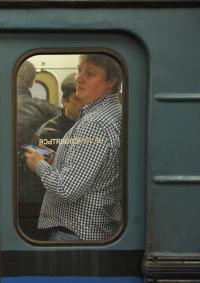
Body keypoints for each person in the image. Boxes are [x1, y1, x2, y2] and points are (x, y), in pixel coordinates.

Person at [25, 54, 123, 241]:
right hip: (96, 226)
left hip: (78, 231)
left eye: (90, 73)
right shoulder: (115, 113)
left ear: (111, 80)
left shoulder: (94, 124)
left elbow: (67, 190)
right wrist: (57, 162)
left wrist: (39, 164)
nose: (79, 79)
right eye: (79, 71)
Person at [19, 73, 83, 239]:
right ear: (64, 100)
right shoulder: (47, 134)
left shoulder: (95, 126)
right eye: (78, 100)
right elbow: (34, 184)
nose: (84, 106)